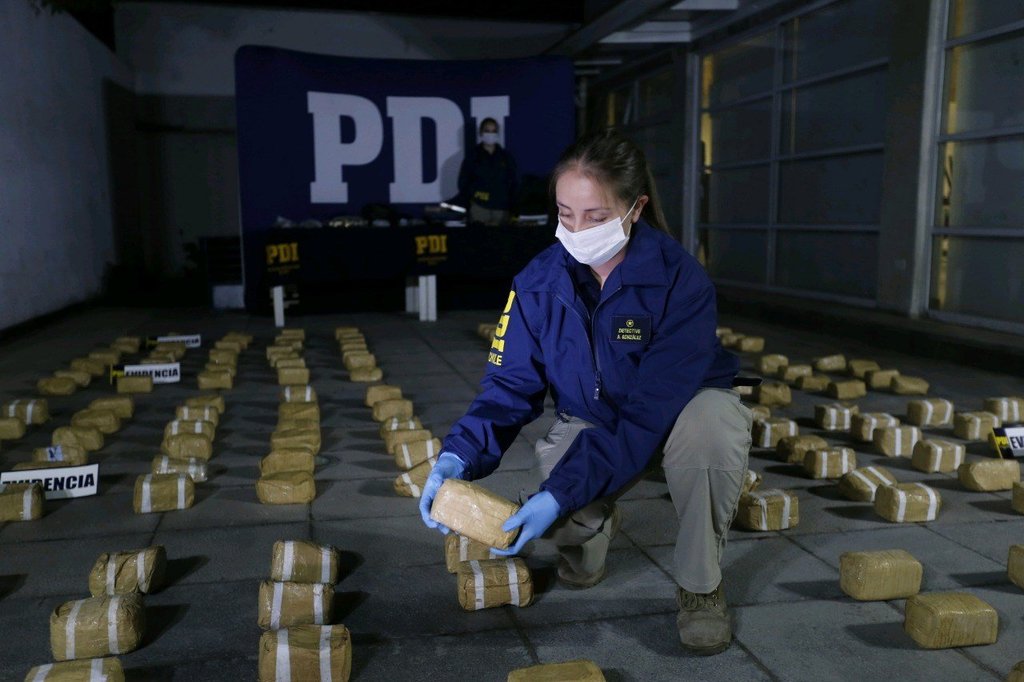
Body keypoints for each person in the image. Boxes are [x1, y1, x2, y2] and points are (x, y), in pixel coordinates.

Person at [419, 129, 751, 655]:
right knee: (557, 517)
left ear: (635, 209)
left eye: (595, 217)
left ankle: (701, 585)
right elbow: (508, 386)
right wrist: (458, 455)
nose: (576, 231)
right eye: (565, 213)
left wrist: (562, 493)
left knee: (714, 424)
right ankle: (592, 534)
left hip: (675, 418)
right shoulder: (537, 283)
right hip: (592, 418)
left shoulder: (679, 282)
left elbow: (648, 414)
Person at [457, 118, 517, 226]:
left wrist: (511, 204)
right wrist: (471, 202)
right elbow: (463, 183)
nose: (490, 134)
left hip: (501, 209)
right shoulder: (473, 156)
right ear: (481, 133)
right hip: (479, 208)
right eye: (487, 131)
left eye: (493, 131)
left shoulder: (506, 157)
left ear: (497, 134)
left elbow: (514, 181)